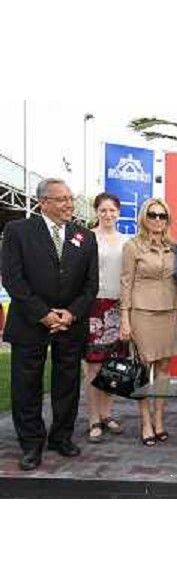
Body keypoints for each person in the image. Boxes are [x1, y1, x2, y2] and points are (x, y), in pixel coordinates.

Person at [2, 178, 98, 471]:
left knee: (67, 383)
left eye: (70, 198)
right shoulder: (18, 231)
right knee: (26, 384)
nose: (69, 204)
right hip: (30, 322)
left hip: (70, 324)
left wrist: (71, 314)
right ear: (43, 202)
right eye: (62, 199)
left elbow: (90, 284)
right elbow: (12, 278)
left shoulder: (85, 236)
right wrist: (43, 314)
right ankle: (31, 443)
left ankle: (62, 437)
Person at [120, 198, 177, 447]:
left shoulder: (174, 247)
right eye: (153, 214)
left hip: (168, 311)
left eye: (162, 215)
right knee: (144, 370)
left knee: (165, 370)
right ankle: (145, 422)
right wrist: (125, 319)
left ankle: (159, 420)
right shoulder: (132, 247)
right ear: (143, 217)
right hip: (142, 312)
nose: (158, 219)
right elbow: (125, 283)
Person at [84, 192, 128, 443]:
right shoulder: (87, 238)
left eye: (112, 210)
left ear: (118, 212)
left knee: (112, 366)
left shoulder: (126, 240)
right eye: (103, 210)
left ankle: (107, 414)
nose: (108, 214)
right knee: (92, 365)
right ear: (96, 212)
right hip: (93, 307)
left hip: (118, 306)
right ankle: (93, 419)